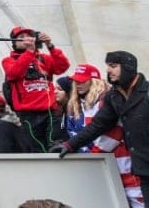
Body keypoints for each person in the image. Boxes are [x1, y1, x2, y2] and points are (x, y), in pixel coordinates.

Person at [55, 51, 149, 191]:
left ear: (128, 66)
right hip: (142, 169)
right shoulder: (114, 95)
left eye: (113, 65)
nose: (108, 70)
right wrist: (70, 145)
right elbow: (99, 125)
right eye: (107, 65)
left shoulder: (146, 92)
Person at [1, 26, 69, 153]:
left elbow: (62, 67)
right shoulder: (9, 60)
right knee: (37, 147)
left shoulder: (43, 58)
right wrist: (29, 52)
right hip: (28, 114)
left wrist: (50, 46)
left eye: (29, 36)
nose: (26, 39)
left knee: (56, 145)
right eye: (21, 37)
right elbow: (13, 73)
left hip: (49, 110)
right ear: (14, 42)